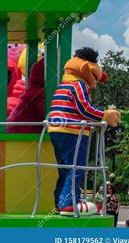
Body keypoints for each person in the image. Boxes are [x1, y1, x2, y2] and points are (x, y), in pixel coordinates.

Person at [48, 48, 120, 216]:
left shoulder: (63, 85)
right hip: (73, 131)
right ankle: (68, 204)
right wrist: (104, 115)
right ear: (87, 68)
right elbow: (84, 109)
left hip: (56, 130)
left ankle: (60, 201)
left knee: (65, 169)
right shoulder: (79, 84)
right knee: (77, 167)